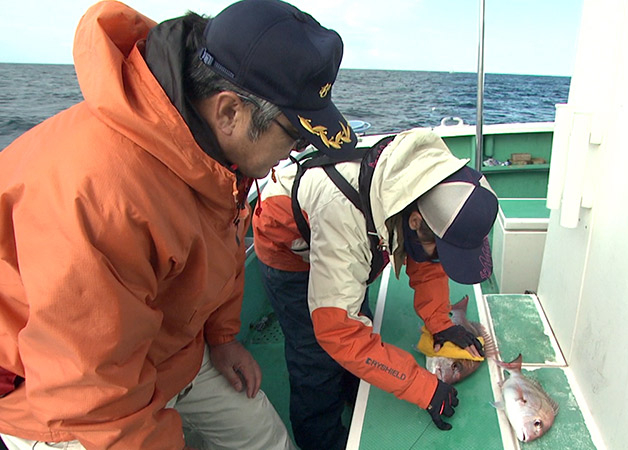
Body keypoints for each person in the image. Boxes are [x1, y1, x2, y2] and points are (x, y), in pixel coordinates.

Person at [0, 0, 357, 448]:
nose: (294, 152)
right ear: (229, 112)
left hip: (173, 352)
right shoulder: (98, 195)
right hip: (59, 401)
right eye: (295, 134)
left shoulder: (218, 155)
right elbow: (93, 398)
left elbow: (219, 246)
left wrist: (223, 337)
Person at [252, 129, 499, 449]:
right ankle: (321, 439)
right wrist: (422, 388)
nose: (440, 259)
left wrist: (441, 323)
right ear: (413, 222)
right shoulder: (343, 216)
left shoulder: (429, 185)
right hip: (290, 248)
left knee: (357, 333)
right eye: (441, 250)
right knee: (315, 355)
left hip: (341, 241)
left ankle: (356, 397)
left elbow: (428, 263)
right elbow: (339, 331)